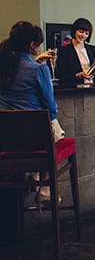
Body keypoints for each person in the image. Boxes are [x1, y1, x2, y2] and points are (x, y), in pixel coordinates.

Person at [0, 21, 64, 207]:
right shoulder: (39, 69)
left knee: (43, 127)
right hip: (36, 139)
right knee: (54, 128)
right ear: (32, 45)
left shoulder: (4, 65)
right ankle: (44, 185)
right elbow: (50, 108)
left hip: (6, 138)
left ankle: (34, 174)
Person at [56, 18, 95, 85]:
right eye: (81, 32)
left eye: (86, 33)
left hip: (94, 88)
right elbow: (61, 76)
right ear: (74, 31)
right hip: (75, 90)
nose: (83, 35)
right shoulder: (64, 51)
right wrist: (79, 75)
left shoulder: (93, 49)